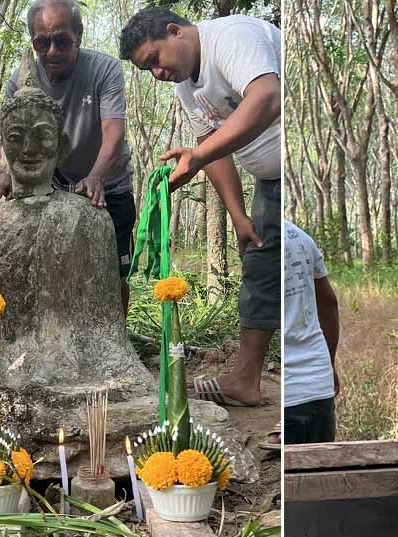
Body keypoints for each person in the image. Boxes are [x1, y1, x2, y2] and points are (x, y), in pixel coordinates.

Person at [119, 7, 282, 408]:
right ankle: (246, 381)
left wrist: (197, 155)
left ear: (175, 31)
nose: (157, 74)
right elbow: (213, 151)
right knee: (262, 268)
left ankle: (290, 400)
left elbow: (267, 97)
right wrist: (238, 216)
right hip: (269, 182)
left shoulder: (232, 37)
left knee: (292, 278)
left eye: (155, 60)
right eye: (147, 70)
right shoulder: (185, 86)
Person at [0, 0, 136, 311]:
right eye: (42, 42)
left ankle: (116, 335)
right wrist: (2, 175)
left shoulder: (104, 69)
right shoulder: (20, 80)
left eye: (62, 40)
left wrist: (96, 177)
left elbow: (114, 132)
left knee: (111, 271)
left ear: (78, 35)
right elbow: (7, 135)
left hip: (108, 188)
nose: (52, 51)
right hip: (51, 187)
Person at [282, 221, 339, 444]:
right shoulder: (302, 238)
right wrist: (329, 364)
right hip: (318, 385)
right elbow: (329, 303)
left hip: (288, 396)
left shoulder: (262, 238)